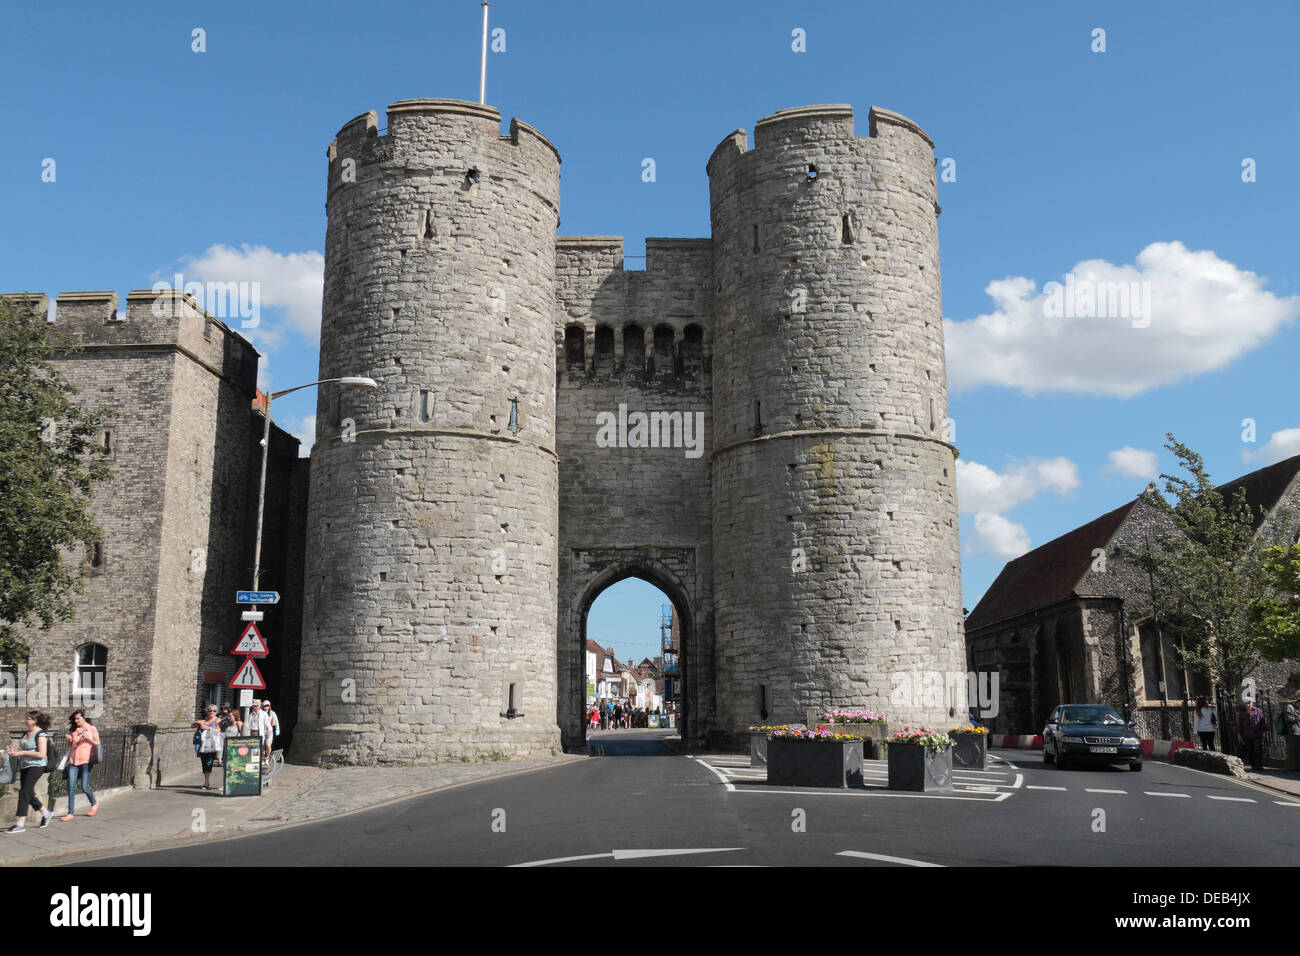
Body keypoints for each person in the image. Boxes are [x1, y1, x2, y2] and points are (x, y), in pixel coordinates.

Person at [4, 711, 54, 833]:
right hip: (25, 765)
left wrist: (22, 753)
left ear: (34, 721)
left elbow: (41, 754)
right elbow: (23, 749)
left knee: (24, 792)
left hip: (36, 766)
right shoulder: (27, 733)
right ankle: (45, 813)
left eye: (28, 719)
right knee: (28, 792)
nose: (26, 720)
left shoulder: (41, 734)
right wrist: (13, 752)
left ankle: (20, 823)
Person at [61, 710, 100, 821]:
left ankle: (94, 803)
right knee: (71, 786)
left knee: (84, 786)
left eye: (78, 718)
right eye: (75, 719)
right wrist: (69, 740)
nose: (76, 720)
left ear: (84, 718)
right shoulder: (74, 730)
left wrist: (88, 739)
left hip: (86, 761)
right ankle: (70, 813)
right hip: (73, 761)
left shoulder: (91, 729)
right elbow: (72, 746)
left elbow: (98, 743)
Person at [190, 706, 223, 790]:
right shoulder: (203, 720)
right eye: (210, 711)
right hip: (203, 746)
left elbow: (218, 732)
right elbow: (192, 726)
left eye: (214, 711)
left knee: (209, 762)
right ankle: (206, 780)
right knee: (204, 764)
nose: (212, 712)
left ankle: (206, 782)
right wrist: (198, 722)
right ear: (207, 711)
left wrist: (207, 728)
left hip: (212, 745)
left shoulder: (217, 720)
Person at [1237, 697, 1267, 772]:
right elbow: (1240, 725)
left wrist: (1264, 732)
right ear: (1244, 704)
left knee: (1257, 750)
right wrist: (1240, 734)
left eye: (1249, 703)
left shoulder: (1258, 711)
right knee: (1250, 751)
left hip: (1257, 734)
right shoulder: (1242, 713)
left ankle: (1259, 765)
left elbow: (1262, 723)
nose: (1247, 704)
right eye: (1246, 703)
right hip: (1247, 735)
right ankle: (1253, 765)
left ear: (1252, 703)